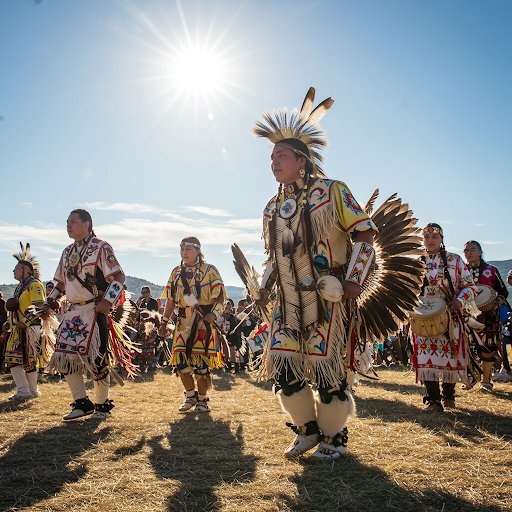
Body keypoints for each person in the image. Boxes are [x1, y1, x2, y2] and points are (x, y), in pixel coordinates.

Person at [253, 88, 378, 460]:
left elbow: (366, 233)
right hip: (288, 300)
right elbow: (275, 252)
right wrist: (265, 284)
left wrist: (354, 279)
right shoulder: (272, 206)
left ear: (302, 160)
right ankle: (306, 431)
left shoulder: (332, 191)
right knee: (284, 366)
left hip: (328, 295)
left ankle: (334, 436)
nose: (274, 161)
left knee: (327, 370)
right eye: (271, 156)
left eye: (281, 155)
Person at [43, 209, 136, 420]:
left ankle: (102, 405)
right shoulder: (67, 252)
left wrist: (107, 301)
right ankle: (81, 403)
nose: (68, 225)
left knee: (97, 358)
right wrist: (50, 301)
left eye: (73, 222)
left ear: (87, 224)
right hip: (72, 311)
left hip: (94, 311)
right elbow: (60, 283)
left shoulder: (101, 247)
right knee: (66, 357)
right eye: (67, 222)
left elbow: (119, 276)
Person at [411, 224, 477, 411]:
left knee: (450, 356)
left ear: (442, 239)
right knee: (425, 356)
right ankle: (433, 401)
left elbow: (470, 287)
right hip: (423, 317)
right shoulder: (417, 261)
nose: (430, 241)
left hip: (450, 316)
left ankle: (449, 396)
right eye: (427, 237)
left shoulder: (454, 260)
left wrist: (460, 301)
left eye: (435, 237)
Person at [159, 236, 225, 413]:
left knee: (201, 365)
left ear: (198, 251)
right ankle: (190, 396)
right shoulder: (176, 272)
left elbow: (221, 297)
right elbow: (171, 301)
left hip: (203, 323)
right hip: (182, 324)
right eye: (182, 249)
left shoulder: (209, 270)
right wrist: (164, 322)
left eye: (188, 249)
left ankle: (202, 400)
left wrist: (214, 314)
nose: (184, 252)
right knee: (181, 363)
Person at [3, 244, 50, 399]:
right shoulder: (19, 287)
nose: (13, 271)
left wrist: (26, 322)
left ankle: (25, 391)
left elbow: (39, 307)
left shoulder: (35, 285)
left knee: (18, 360)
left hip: (30, 328)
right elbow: (19, 307)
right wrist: (10, 323)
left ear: (26, 270)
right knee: (24, 360)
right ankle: (30, 391)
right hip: (19, 328)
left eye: (17, 268)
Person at [463, 240, 509, 391]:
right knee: (467, 347)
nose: (469, 253)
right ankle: (470, 378)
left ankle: (486, 381)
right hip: (466, 315)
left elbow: (503, 291)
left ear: (480, 252)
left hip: (488, 315)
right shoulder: (460, 271)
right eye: (466, 250)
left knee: (488, 347)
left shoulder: (491, 270)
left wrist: (497, 300)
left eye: (473, 249)